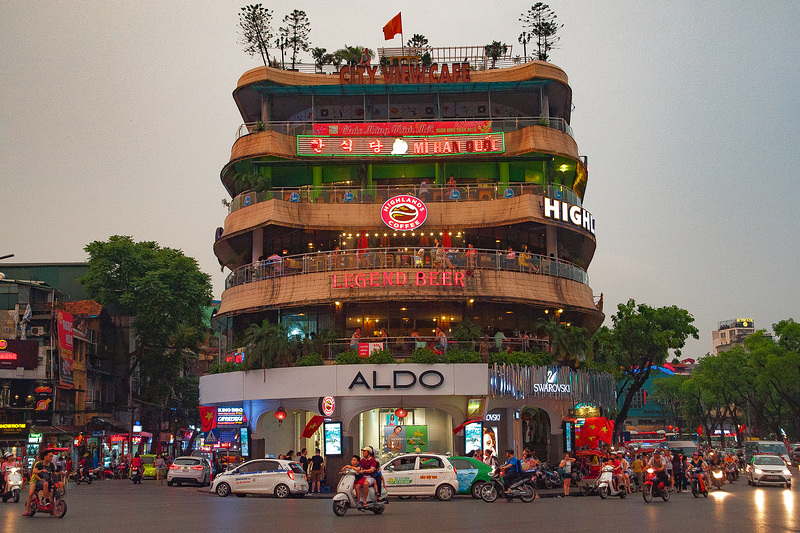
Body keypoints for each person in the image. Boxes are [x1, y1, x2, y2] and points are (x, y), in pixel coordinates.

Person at [24, 450, 55, 516]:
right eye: (50, 456)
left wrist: (61, 473)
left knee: (54, 489)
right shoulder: (38, 464)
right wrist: (41, 471)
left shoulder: (51, 465)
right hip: (35, 480)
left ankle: (52, 507)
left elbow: (54, 472)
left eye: (52, 456)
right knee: (31, 493)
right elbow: (34, 472)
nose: (51, 458)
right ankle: (27, 510)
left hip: (45, 480)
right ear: (45, 457)